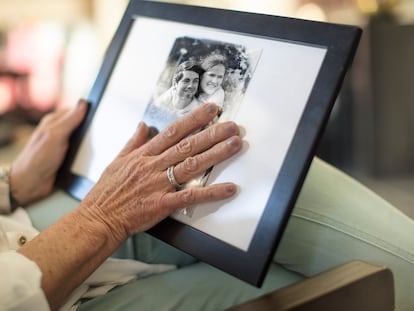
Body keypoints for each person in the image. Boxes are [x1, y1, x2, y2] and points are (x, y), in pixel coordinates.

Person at [1, 100, 414, 311]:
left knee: (261, 181)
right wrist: (101, 218)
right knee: (338, 284)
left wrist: (10, 185)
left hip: (18, 227)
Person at [0, 100, 243, 310]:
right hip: (39, 289)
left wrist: (11, 187)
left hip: (23, 220)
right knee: (265, 271)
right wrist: (101, 218)